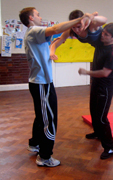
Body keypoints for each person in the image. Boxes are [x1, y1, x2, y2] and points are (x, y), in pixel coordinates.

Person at [19, 7, 92, 167]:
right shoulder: (34, 31)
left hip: (38, 83)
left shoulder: (34, 34)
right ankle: (44, 156)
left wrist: (51, 51)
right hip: (42, 84)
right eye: (38, 14)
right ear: (31, 18)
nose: (40, 16)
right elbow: (56, 29)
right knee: (49, 120)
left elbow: (55, 40)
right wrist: (80, 19)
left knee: (41, 116)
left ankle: (34, 144)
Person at [50, 10, 113, 89]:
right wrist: (51, 52)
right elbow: (57, 41)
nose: (77, 30)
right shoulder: (70, 31)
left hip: (109, 41)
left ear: (83, 21)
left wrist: (91, 17)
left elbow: (104, 20)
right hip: (102, 46)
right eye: (74, 27)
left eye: (79, 26)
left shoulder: (91, 26)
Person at [78, 23, 113, 159]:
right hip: (96, 84)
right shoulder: (100, 43)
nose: (102, 35)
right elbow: (91, 31)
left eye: (106, 34)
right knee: (93, 112)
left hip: (105, 87)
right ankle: (97, 133)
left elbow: (104, 72)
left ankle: (109, 148)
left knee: (102, 118)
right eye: (103, 32)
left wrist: (86, 72)